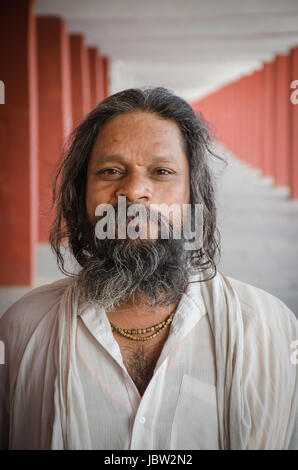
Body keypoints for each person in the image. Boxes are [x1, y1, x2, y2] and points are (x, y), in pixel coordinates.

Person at [0, 87, 297, 450]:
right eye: (111, 170)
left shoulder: (266, 330)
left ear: (194, 194)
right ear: (82, 194)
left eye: (161, 171)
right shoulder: (22, 331)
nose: (135, 191)